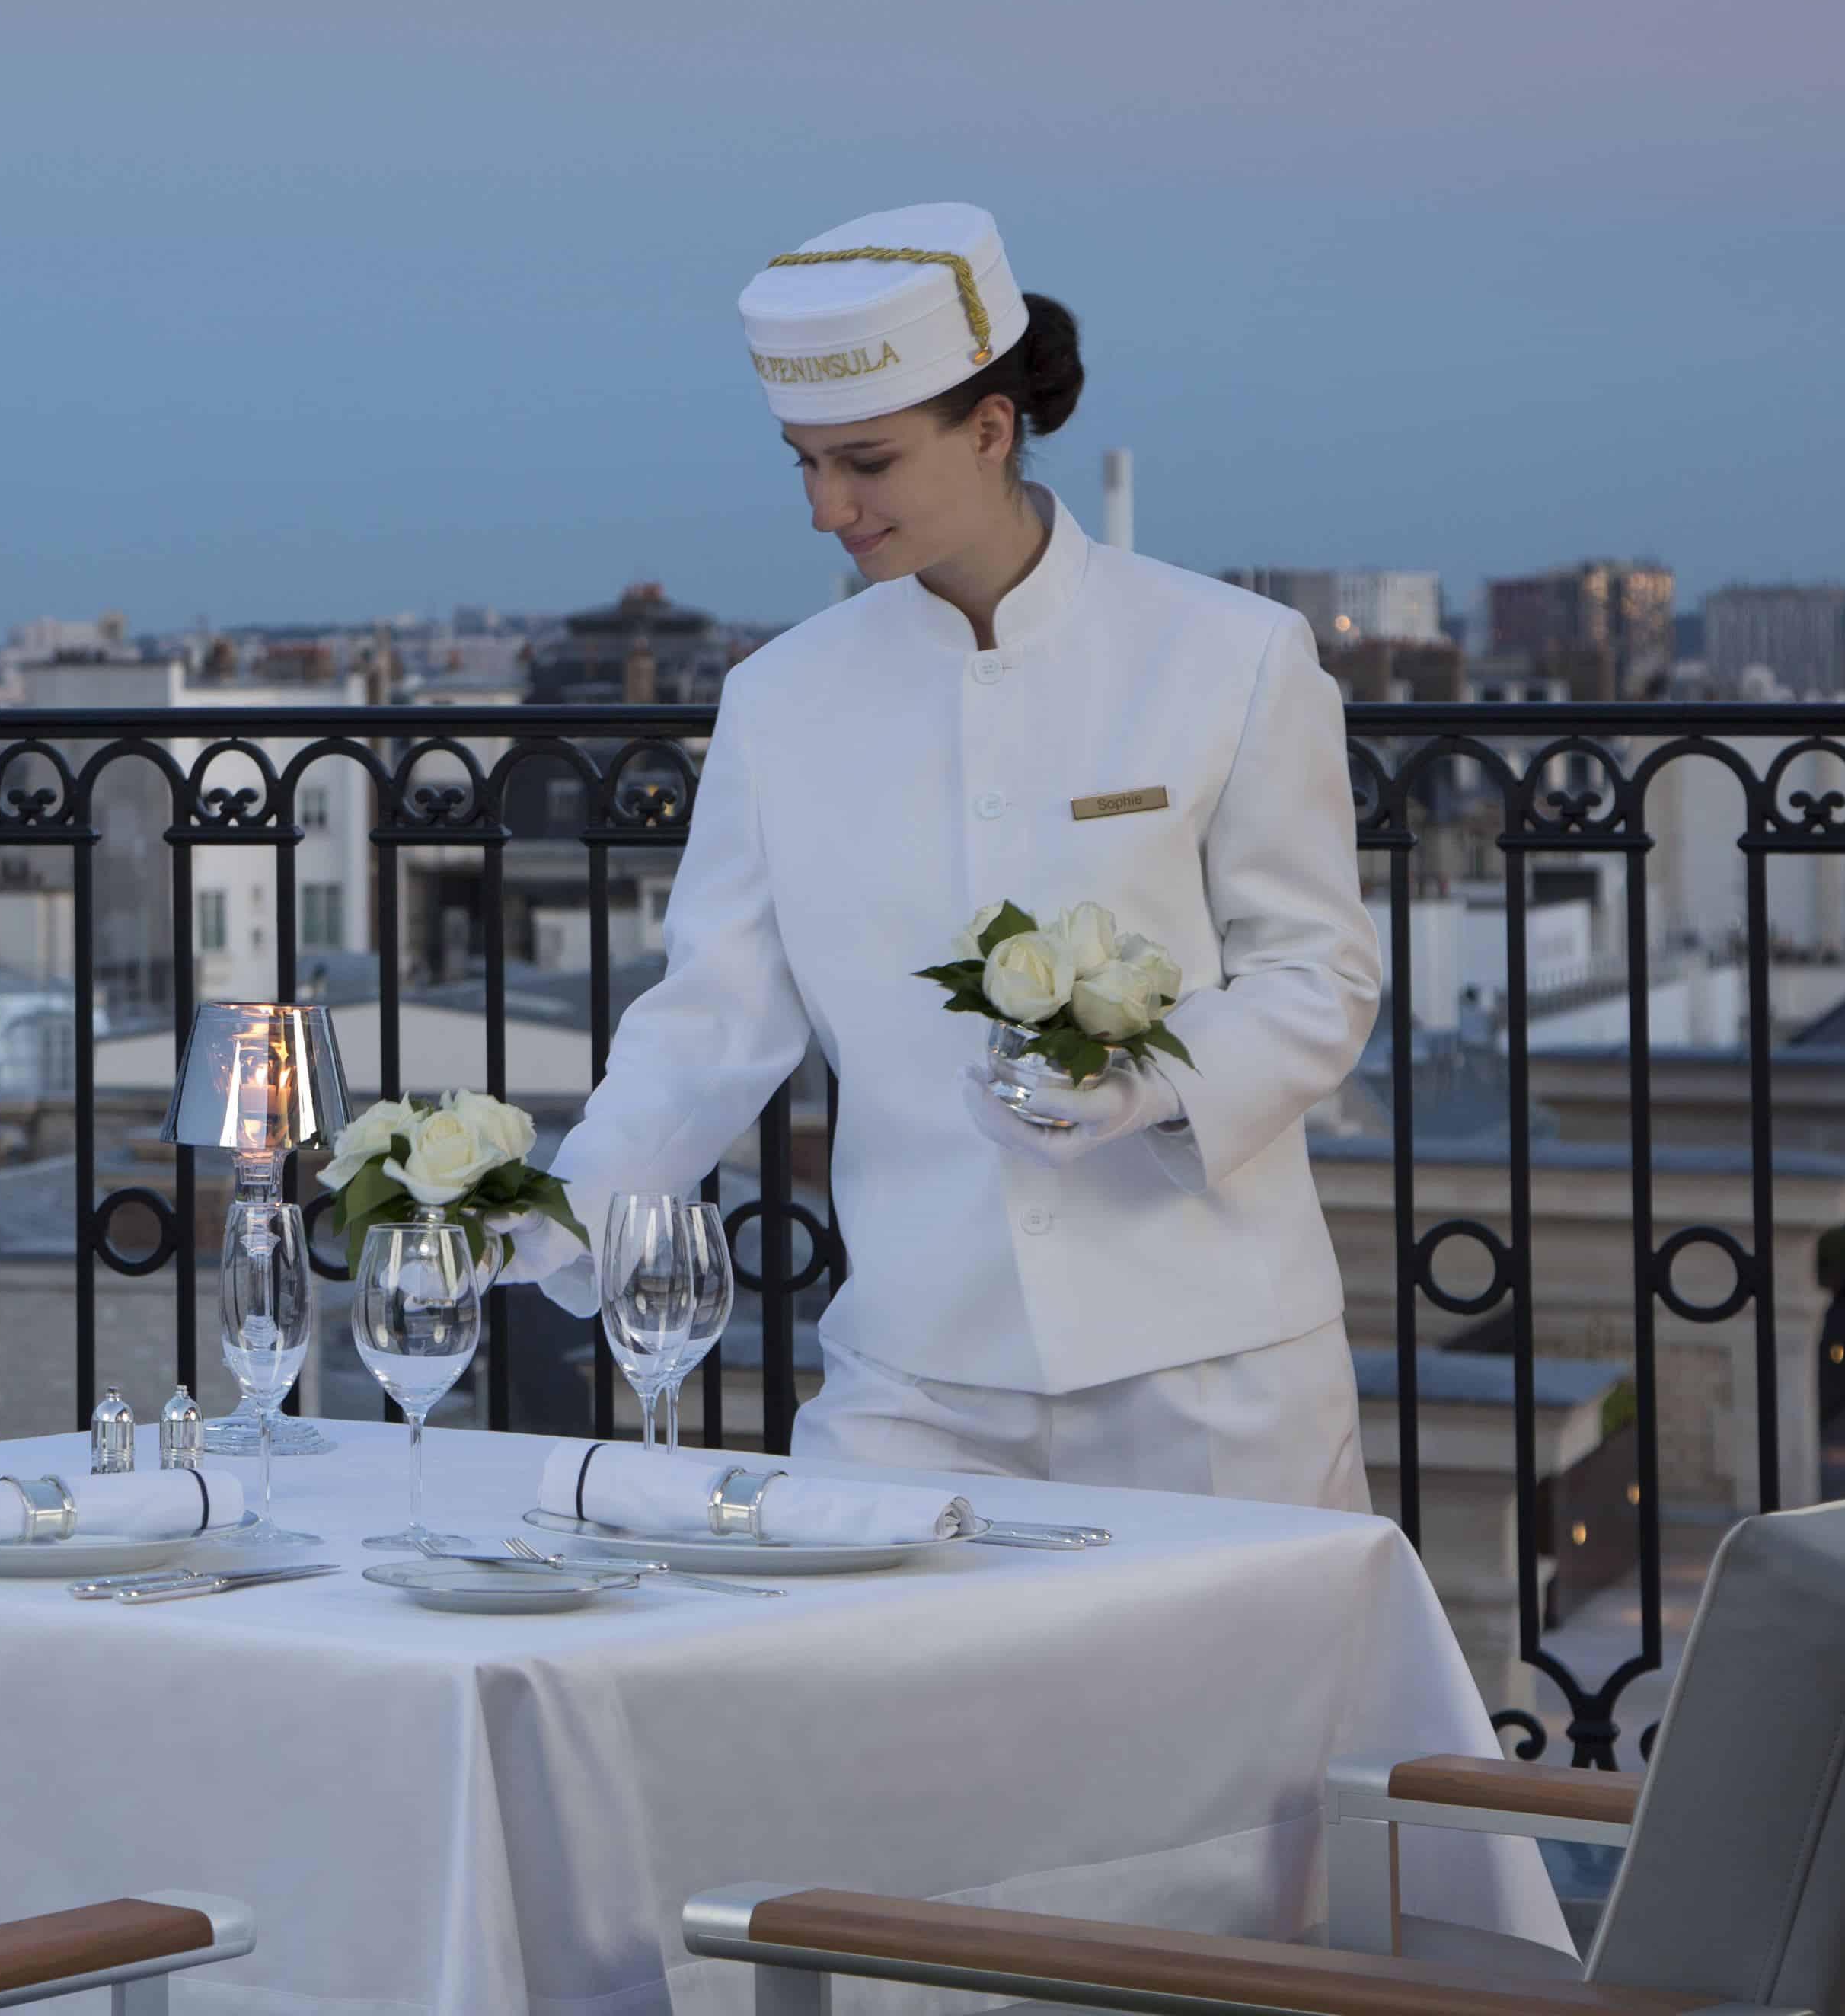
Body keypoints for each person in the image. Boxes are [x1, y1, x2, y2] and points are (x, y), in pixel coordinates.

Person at [526, 201, 1381, 1508]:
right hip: (912, 1378)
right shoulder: (778, 697)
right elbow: (712, 1021)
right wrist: (551, 1213)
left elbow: (1318, 975)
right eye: (801, 464)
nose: (826, 508)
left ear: (989, 429)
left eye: (864, 462)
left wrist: (1146, 1086)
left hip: (1215, 1367)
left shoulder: (1232, 655)